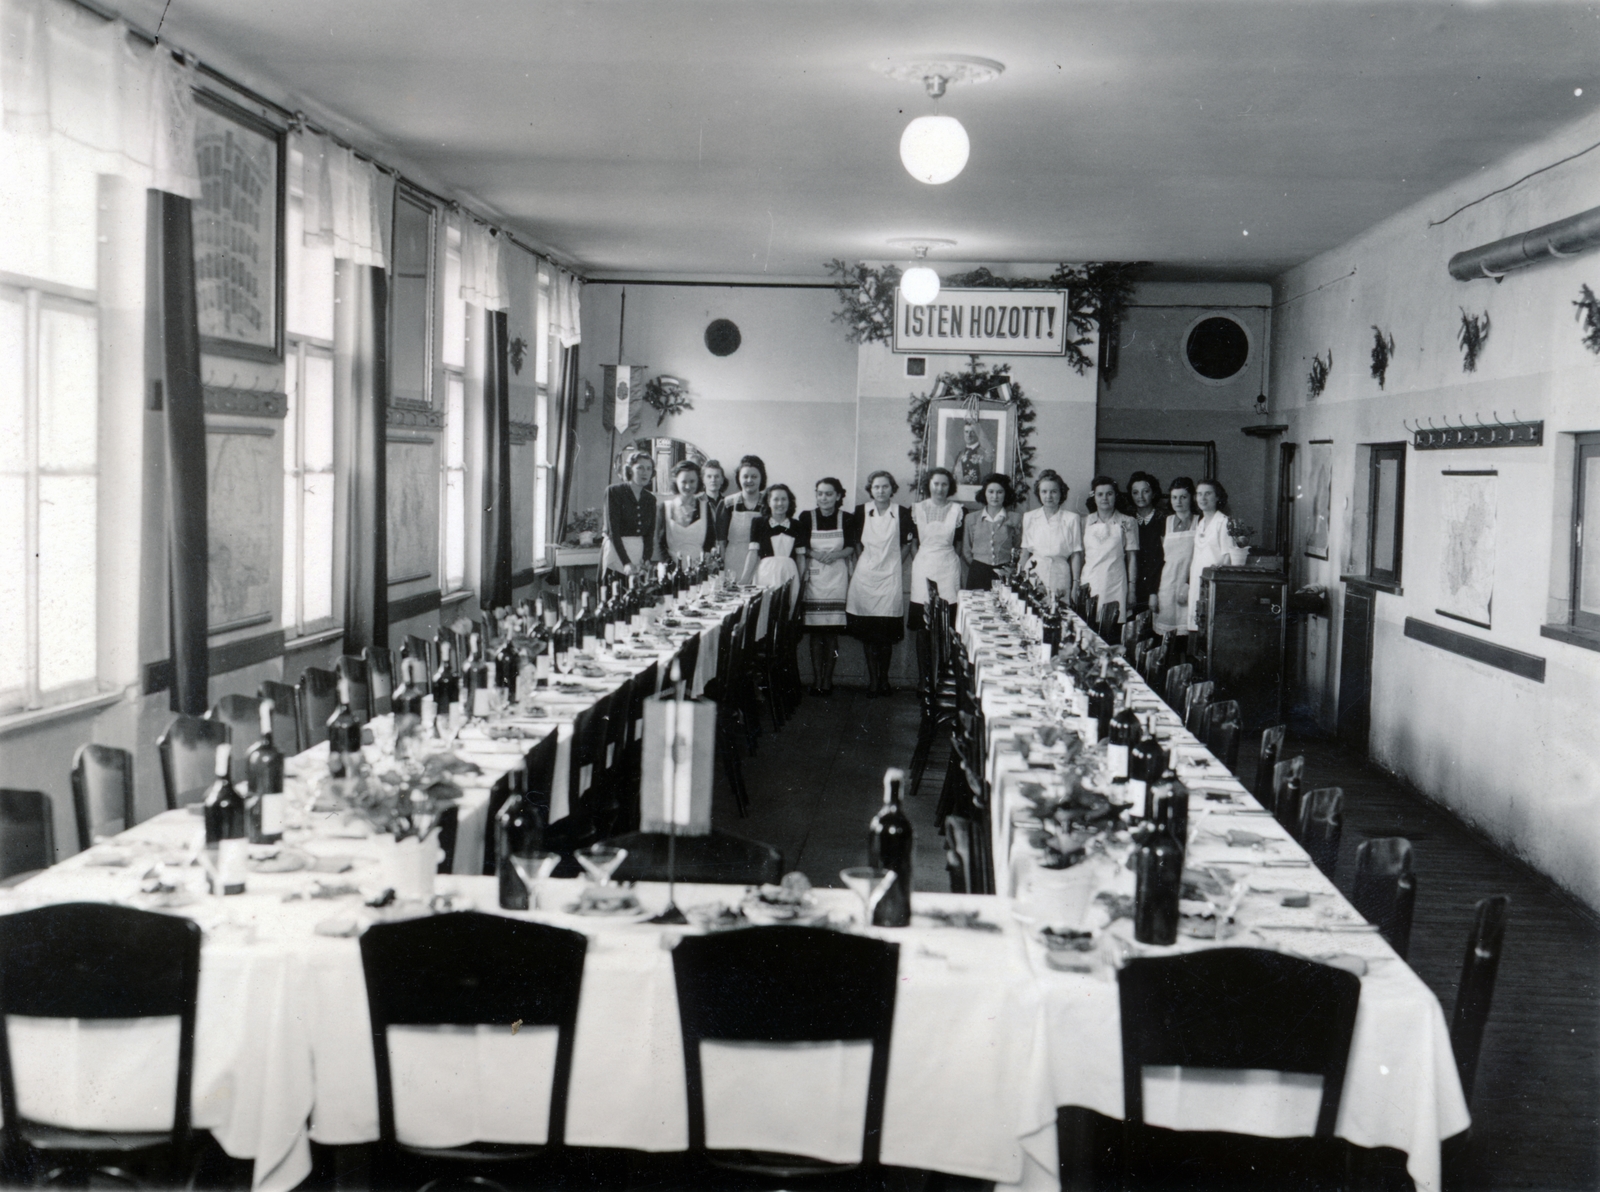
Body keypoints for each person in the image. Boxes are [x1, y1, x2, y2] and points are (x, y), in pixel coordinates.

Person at [846, 470, 916, 698]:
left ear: (892, 489)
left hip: (890, 576)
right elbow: (856, 543)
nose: (881, 491)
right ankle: (873, 681)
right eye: (877, 487)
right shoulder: (861, 512)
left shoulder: (902, 513)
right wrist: (863, 562)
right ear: (871, 489)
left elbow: (908, 544)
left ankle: (884, 679)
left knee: (885, 633)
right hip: (865, 576)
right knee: (869, 633)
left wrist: (896, 562)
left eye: (885, 486)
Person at [908, 467, 965, 694]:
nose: (940, 488)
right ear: (928, 485)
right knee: (924, 628)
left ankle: (944, 679)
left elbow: (959, 544)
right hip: (923, 566)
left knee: (948, 626)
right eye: (935, 484)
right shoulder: (917, 509)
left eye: (944, 484)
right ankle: (924, 679)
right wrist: (922, 561)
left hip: (948, 568)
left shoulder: (959, 511)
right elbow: (913, 544)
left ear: (949, 487)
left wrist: (947, 560)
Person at [798, 477, 856, 697]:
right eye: (820, 493)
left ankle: (828, 680)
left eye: (829, 494)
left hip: (837, 578)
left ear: (838, 496)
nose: (824, 498)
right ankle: (816, 679)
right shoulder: (806, 517)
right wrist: (816, 554)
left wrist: (836, 555)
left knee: (832, 632)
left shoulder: (847, 518)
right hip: (814, 579)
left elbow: (850, 547)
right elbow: (803, 546)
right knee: (815, 632)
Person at [1187, 478, 1251, 633]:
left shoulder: (1223, 522)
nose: (1202, 498)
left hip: (1213, 585)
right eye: (1199, 494)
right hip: (1197, 582)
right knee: (1196, 627)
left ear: (1217, 497)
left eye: (1208, 494)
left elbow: (1228, 558)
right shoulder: (1201, 522)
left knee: (1209, 629)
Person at [1080, 475, 1139, 624]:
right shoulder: (1084, 522)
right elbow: (1080, 555)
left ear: (1115, 496)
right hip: (1090, 581)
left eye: (1109, 494)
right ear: (1094, 497)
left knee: (1112, 627)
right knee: (1089, 624)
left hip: (1115, 583)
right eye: (1100, 494)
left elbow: (1132, 557)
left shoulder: (1128, 522)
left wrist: (1131, 589)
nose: (1104, 498)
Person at [1017, 469, 1082, 597]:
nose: (1048, 496)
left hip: (1060, 574)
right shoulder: (1030, 517)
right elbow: (1025, 553)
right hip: (1034, 572)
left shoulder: (1072, 519)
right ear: (1039, 493)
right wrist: (1018, 578)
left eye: (1053, 492)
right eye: (1044, 491)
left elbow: (1076, 554)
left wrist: (1076, 584)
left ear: (1061, 493)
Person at [1151, 476, 1198, 647]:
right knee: (1165, 639)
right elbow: (1157, 561)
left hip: (1189, 587)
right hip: (1166, 587)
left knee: (1186, 638)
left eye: (1183, 497)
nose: (1178, 501)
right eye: (1174, 497)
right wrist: (1153, 592)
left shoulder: (1199, 522)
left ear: (1192, 498)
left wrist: (1188, 584)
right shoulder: (1165, 522)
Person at [963, 472, 1024, 591]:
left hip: (1005, 572)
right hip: (978, 572)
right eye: (991, 492)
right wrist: (979, 566)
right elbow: (966, 550)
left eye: (999, 492)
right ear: (984, 493)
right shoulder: (971, 518)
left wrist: (1010, 568)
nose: (995, 496)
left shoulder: (1015, 518)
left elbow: (1018, 547)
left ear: (1006, 494)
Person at [602, 450, 657, 578]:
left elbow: (649, 534)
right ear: (630, 470)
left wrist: (646, 559)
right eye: (640, 468)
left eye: (649, 469)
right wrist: (626, 562)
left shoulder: (650, 499)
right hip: (617, 553)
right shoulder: (614, 491)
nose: (645, 472)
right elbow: (613, 532)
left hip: (639, 554)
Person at [752, 483, 807, 608]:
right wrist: (744, 581)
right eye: (776, 499)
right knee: (765, 608)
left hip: (789, 574)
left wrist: (801, 581)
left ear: (789, 501)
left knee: (787, 608)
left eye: (784, 499)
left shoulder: (797, 525)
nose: (780, 503)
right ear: (768, 502)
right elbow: (753, 554)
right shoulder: (758, 523)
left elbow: (800, 557)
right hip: (765, 573)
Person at [658, 459, 717, 563]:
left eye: (692, 481)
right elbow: (660, 543)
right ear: (676, 482)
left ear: (698, 481)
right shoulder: (665, 507)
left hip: (699, 567)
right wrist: (669, 564)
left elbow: (710, 540)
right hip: (672, 569)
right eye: (684, 482)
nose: (688, 486)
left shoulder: (705, 507)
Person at [721, 454, 767, 585]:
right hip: (733, 560)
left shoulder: (768, 503)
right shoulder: (728, 503)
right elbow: (721, 541)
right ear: (739, 478)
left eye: (754, 476)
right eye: (745, 476)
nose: (749, 480)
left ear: (761, 478)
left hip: (761, 560)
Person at [1128, 470, 1165, 613]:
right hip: (1131, 584)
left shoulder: (1163, 519)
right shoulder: (1127, 518)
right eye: (1135, 492)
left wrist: (1153, 591)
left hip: (1157, 584)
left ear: (1154, 493)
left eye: (1145, 491)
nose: (1140, 497)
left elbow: (1161, 558)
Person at [701, 458, 731, 561]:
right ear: (703, 479)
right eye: (709, 476)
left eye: (717, 476)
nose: (713, 480)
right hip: (703, 554)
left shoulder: (729, 503)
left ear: (722, 480)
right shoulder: (697, 502)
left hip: (725, 554)